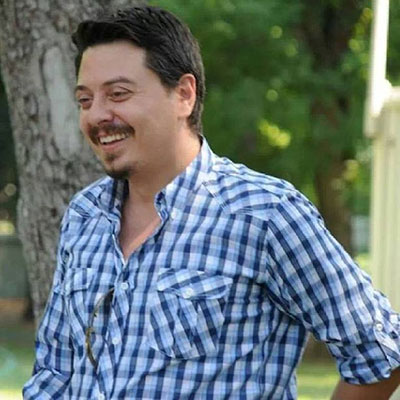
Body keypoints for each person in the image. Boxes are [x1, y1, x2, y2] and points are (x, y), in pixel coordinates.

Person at [24, 5, 400, 399]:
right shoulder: (84, 215)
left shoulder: (264, 214)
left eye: (118, 94)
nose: (97, 115)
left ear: (184, 95)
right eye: (85, 100)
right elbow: (55, 373)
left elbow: (381, 350)